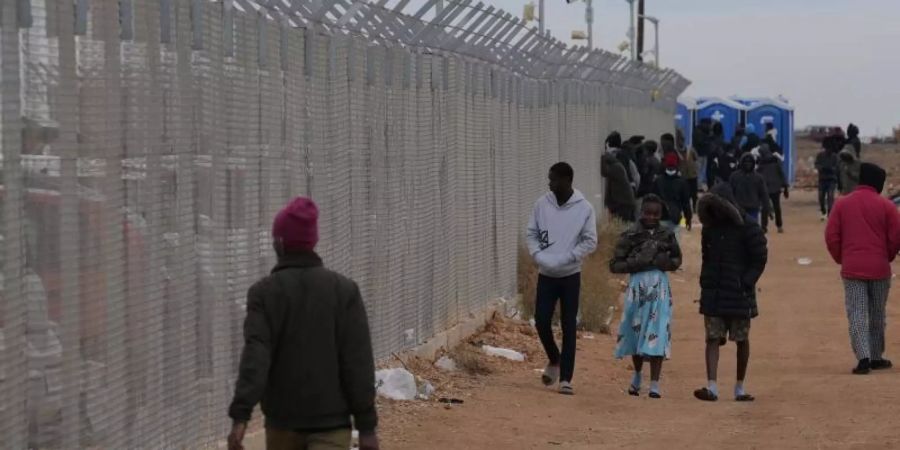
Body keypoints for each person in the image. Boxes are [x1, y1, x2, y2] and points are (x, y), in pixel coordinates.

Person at [227, 197, 380, 450]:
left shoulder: (264, 294)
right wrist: (367, 427)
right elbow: (358, 362)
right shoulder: (344, 292)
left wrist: (240, 415)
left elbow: (256, 356)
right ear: (313, 241)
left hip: (282, 425)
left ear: (279, 243)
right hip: (332, 425)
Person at [526, 162, 598, 395]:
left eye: (554, 179)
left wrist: (568, 257)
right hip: (546, 274)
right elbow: (532, 233)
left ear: (567, 180)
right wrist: (538, 255)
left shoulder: (584, 208)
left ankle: (566, 378)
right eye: (550, 179)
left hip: (570, 275)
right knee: (541, 320)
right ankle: (554, 358)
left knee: (568, 325)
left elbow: (590, 240)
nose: (550, 183)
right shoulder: (541, 204)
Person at [694, 184, 768, 402]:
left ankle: (739, 387)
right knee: (712, 338)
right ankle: (712, 387)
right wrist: (705, 281)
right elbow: (706, 258)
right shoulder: (709, 229)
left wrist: (746, 282)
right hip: (714, 293)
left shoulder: (749, 228)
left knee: (741, 339)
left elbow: (760, 257)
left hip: (739, 294)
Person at [825, 163, 900, 374]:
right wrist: (888, 255)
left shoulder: (841, 205)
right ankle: (876, 356)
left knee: (857, 312)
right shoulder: (887, 206)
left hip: (852, 268)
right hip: (880, 268)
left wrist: (842, 257)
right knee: (877, 314)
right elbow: (896, 237)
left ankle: (863, 358)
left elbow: (831, 236)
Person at [610, 194, 682, 399]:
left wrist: (663, 262)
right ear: (641, 212)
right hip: (637, 288)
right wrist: (637, 262)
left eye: (655, 214)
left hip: (659, 288)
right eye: (647, 213)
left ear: (660, 215)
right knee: (636, 331)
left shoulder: (666, 235)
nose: (651, 217)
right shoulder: (630, 235)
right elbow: (615, 264)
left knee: (657, 332)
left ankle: (655, 384)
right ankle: (638, 375)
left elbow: (677, 259)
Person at [655, 153, 694, 235]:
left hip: (659, 217)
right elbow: (686, 203)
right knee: (674, 243)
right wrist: (688, 219)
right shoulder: (682, 182)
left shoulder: (658, 180)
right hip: (675, 217)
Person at [728, 153, 769, 224]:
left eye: (750, 162)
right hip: (738, 208)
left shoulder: (758, 178)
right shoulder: (734, 176)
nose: (748, 164)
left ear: (753, 163)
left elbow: (764, 194)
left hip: (753, 209)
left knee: (752, 229)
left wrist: (767, 207)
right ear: (741, 163)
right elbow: (729, 192)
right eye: (745, 162)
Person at [757, 144, 789, 234]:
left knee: (764, 208)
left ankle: (764, 227)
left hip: (765, 188)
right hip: (775, 188)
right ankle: (779, 226)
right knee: (777, 207)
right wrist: (785, 187)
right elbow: (782, 174)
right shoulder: (775, 161)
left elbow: (757, 176)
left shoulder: (761, 163)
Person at [601, 152, 637, 222]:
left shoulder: (616, 167)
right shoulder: (618, 166)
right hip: (624, 202)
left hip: (623, 203)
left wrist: (602, 159)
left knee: (622, 222)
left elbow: (604, 172)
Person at [815, 138, 840, 221]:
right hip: (822, 179)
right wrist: (821, 168)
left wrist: (831, 169)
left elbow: (837, 168)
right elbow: (816, 164)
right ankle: (823, 211)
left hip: (831, 179)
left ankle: (830, 213)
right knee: (821, 197)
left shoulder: (835, 157)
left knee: (830, 196)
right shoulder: (820, 156)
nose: (828, 150)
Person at [676, 132, 700, 212]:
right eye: (679, 140)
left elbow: (696, 160)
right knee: (685, 195)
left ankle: (695, 208)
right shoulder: (676, 152)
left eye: (682, 140)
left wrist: (696, 170)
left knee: (694, 194)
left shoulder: (690, 149)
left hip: (692, 175)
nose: (681, 142)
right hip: (683, 177)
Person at [694, 118, 713, 189]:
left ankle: (700, 185)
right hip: (699, 154)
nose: (709, 126)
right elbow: (700, 142)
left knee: (702, 170)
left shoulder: (704, 131)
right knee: (699, 170)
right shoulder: (698, 131)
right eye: (708, 124)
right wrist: (707, 140)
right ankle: (698, 186)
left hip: (704, 153)